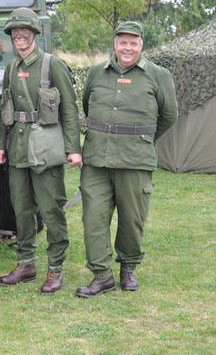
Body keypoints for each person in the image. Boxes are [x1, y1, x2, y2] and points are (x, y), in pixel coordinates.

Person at [75, 21, 178, 297]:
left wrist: (142, 139)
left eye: (133, 43)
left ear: (141, 45)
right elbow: (87, 106)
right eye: (123, 42)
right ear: (115, 44)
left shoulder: (158, 75)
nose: (127, 47)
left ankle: (128, 267)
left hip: (136, 159)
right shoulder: (97, 72)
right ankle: (102, 275)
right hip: (97, 159)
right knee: (93, 218)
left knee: (132, 219)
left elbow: (169, 116)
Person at [0, 7, 81, 294]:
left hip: (46, 147)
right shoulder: (10, 67)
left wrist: (73, 149)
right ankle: (26, 264)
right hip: (18, 148)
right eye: (14, 32)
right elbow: (5, 110)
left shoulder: (51, 64)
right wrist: (1, 145)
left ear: (34, 34)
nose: (19, 36)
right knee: (21, 208)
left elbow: (69, 109)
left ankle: (55, 269)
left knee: (51, 209)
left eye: (24, 31)